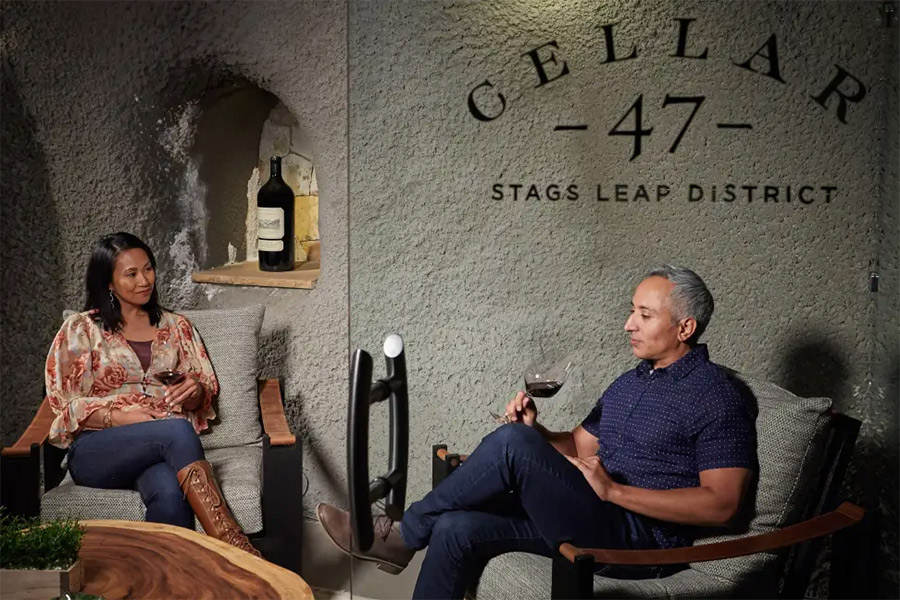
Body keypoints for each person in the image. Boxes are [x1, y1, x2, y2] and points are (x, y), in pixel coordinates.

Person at [317, 265, 757, 599]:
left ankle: (401, 534)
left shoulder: (717, 396)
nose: (628, 324)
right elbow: (578, 446)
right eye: (631, 311)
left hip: (640, 541)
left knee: (511, 443)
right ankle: (407, 535)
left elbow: (723, 505)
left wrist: (615, 493)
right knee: (455, 526)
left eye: (644, 315)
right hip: (589, 513)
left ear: (685, 327)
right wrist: (538, 433)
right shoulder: (631, 382)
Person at [46, 232, 260, 556]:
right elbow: (63, 402)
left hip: (159, 450)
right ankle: (237, 552)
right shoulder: (81, 329)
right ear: (108, 283)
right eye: (131, 274)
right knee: (176, 430)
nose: (144, 280)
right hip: (97, 450)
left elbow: (203, 390)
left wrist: (194, 391)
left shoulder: (177, 327)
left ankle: (169, 585)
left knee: (169, 491)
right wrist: (119, 417)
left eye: (148, 269)